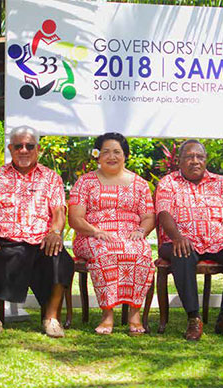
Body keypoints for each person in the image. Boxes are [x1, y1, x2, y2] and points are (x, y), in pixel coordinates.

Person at [0, 126, 74, 338]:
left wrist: (55, 232)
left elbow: (58, 211)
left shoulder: (51, 178)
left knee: (61, 259)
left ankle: (51, 319)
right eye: (18, 146)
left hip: (40, 242)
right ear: (10, 148)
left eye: (29, 146)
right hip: (4, 241)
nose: (24, 150)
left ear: (38, 149)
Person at [155, 140, 223, 341]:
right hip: (181, 240)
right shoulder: (168, 183)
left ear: (206, 160)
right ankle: (193, 318)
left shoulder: (221, 183)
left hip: (217, 241)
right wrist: (178, 237)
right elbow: (164, 214)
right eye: (189, 157)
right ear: (179, 161)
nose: (195, 161)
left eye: (199, 157)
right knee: (182, 252)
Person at [68, 132, 155, 335]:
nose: (112, 156)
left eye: (117, 152)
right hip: (91, 235)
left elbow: (149, 216)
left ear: (125, 155)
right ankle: (107, 315)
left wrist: (141, 231)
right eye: (106, 152)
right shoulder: (86, 182)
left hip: (130, 235)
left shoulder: (140, 184)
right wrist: (96, 231)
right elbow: (75, 218)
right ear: (97, 155)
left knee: (142, 253)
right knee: (105, 251)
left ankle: (134, 314)